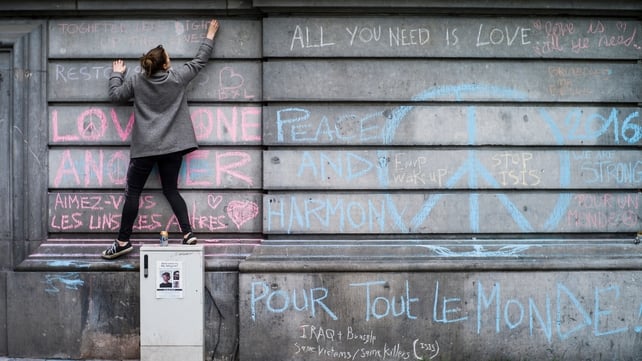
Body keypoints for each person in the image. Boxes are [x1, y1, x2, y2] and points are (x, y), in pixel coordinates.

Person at [101, 19, 220, 260]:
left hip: (145, 149)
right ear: (165, 64)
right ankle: (187, 234)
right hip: (172, 148)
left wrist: (116, 74)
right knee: (171, 190)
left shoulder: (135, 79)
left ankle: (123, 241)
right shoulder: (176, 77)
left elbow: (116, 96)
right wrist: (209, 34)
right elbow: (200, 61)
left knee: (133, 193)